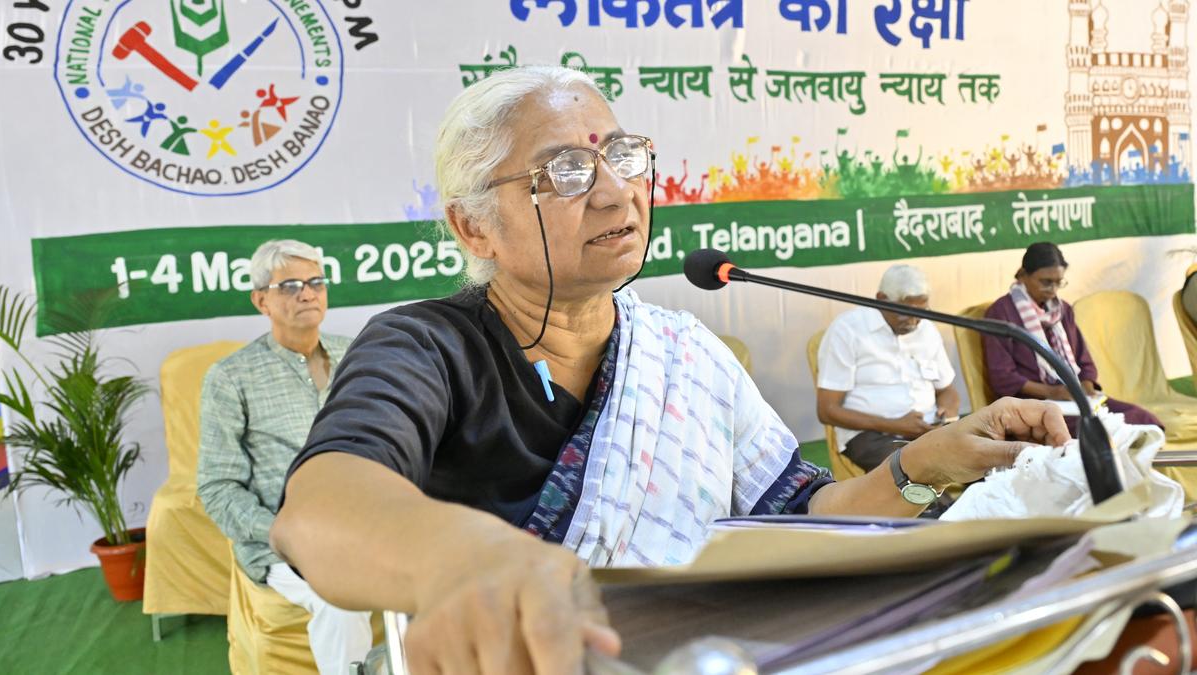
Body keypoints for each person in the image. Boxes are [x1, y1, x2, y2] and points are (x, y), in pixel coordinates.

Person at [271, 67, 1071, 675]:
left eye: (623, 157)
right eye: (567, 173)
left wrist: (924, 463)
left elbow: (802, 513)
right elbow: (322, 505)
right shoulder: (424, 346)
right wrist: (468, 559)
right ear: (473, 224)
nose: (618, 191)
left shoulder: (684, 351)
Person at [197, 240, 371, 675]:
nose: (307, 293)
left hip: (371, 517)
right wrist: (279, 530)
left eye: (315, 282)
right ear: (261, 300)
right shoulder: (231, 377)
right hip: (284, 537)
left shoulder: (359, 355)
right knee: (341, 598)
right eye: (290, 286)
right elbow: (216, 487)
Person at [982, 241, 1163, 434]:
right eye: (1046, 282)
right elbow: (1003, 378)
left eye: (1058, 282)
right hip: (1032, 407)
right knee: (1100, 431)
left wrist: (1085, 388)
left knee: (1145, 420)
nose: (1053, 289)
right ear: (1024, 275)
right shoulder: (1001, 312)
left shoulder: (1062, 310)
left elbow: (1084, 361)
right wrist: (1053, 392)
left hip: (1071, 399)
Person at [816, 264, 961, 474]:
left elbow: (947, 390)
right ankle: (938, 507)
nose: (913, 323)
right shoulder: (847, 330)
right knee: (915, 469)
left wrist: (947, 415)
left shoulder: (926, 329)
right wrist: (894, 425)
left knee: (984, 457)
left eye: (920, 314)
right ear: (881, 298)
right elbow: (827, 411)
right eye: (905, 313)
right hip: (871, 435)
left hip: (928, 428)